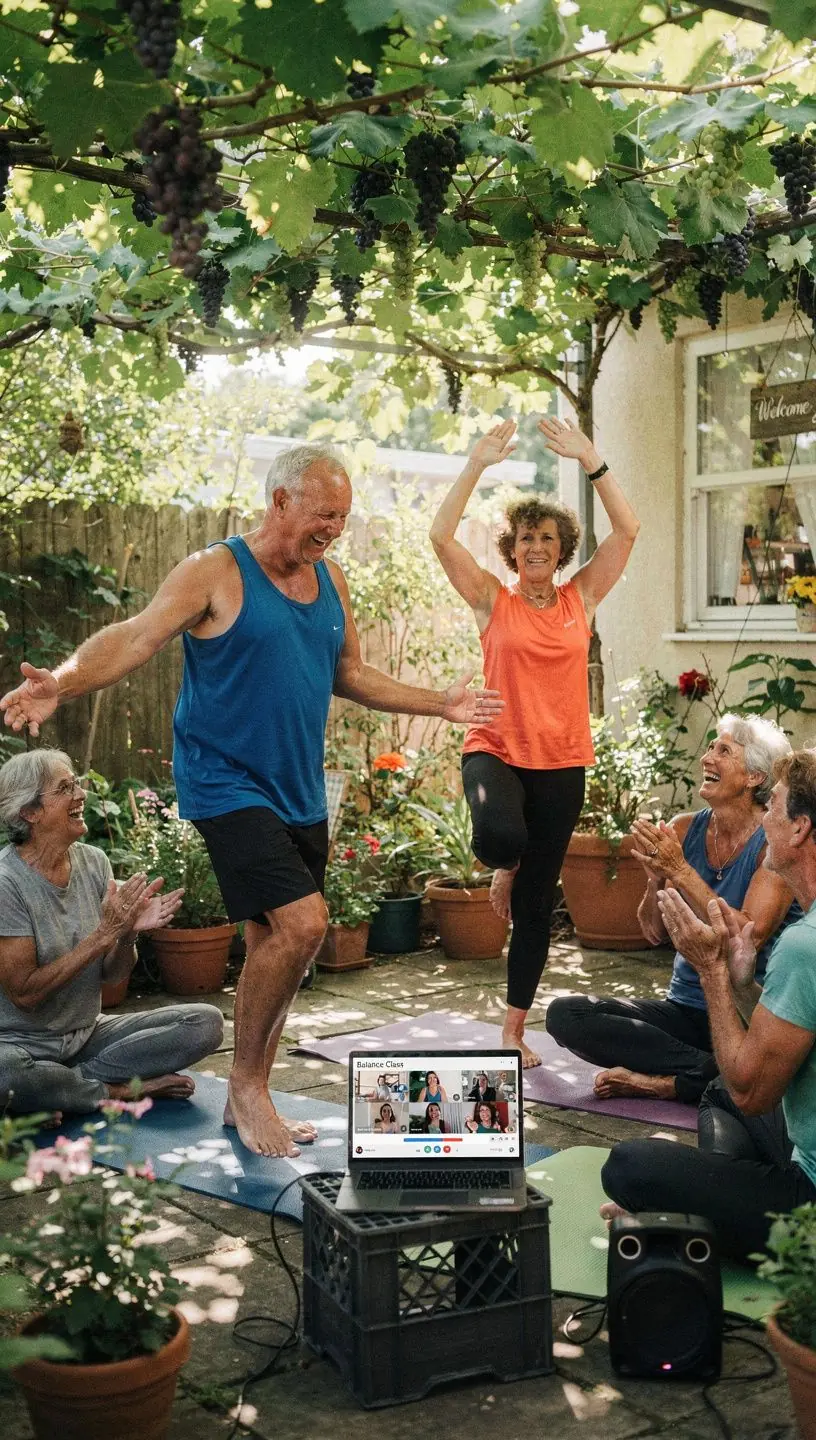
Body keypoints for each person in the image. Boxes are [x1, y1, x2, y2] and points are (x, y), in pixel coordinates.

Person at [0, 443, 503, 1159]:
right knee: (305, 924)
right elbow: (136, 637)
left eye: (343, 517)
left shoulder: (330, 580)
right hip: (223, 782)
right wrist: (64, 680)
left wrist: (439, 703)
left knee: (277, 941)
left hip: (298, 791)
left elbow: (350, 672)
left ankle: (252, 1090)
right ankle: (245, 1086)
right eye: (323, 514)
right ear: (281, 501)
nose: (334, 529)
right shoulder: (215, 571)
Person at [430, 416, 639, 1066]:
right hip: (494, 748)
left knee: (536, 902)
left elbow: (628, 531)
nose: (538, 546)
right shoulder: (492, 600)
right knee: (501, 837)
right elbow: (439, 536)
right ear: (513, 550)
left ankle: (514, 1029)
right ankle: (505, 861)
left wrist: (591, 458)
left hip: (562, 764)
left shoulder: (583, 600)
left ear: (563, 547)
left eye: (548, 537)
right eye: (527, 538)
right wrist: (476, 464)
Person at [600, 749, 816, 1261]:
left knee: (628, 1166)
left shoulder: (804, 945)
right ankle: (721, 1207)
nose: (765, 819)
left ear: (801, 828)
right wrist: (741, 983)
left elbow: (751, 1092)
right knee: (716, 1093)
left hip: (808, 1198)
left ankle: (708, 1220)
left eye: (773, 806)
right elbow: (788, 1034)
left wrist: (713, 972)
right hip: (799, 1146)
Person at [546, 715, 796, 1105]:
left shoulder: (772, 844)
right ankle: (716, 1075)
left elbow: (747, 935)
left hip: (745, 1016)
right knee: (566, 1014)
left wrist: (680, 870)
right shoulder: (684, 829)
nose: (707, 758)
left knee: (763, 1060)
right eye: (710, 747)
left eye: (724, 750)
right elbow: (653, 932)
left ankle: (668, 1083)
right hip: (683, 1010)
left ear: (754, 777)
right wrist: (655, 880)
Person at [0, 749, 224, 1115]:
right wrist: (104, 934)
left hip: (89, 1036)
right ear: (30, 812)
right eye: (65, 788)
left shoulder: (94, 862)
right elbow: (25, 994)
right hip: (20, 1046)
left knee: (204, 1023)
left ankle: (63, 1089)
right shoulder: (6, 883)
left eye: (76, 784)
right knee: (5, 1075)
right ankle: (113, 1090)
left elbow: (113, 974)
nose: (81, 794)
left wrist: (126, 933)